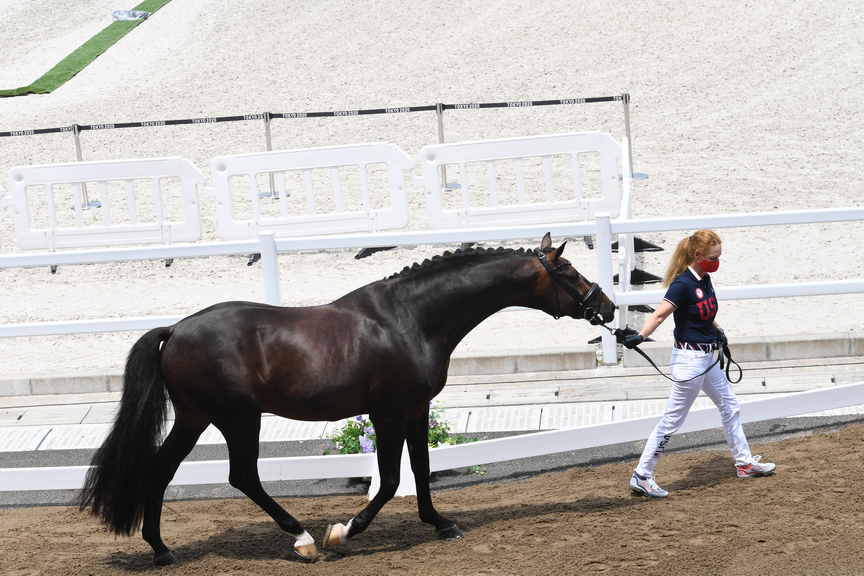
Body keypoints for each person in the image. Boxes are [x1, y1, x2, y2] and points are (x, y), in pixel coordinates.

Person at [622, 229, 775, 498]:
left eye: (718, 257)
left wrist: (718, 331)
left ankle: (744, 463)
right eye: (713, 258)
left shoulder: (705, 279)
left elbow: (703, 314)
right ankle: (642, 475)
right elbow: (660, 315)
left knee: (730, 406)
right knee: (672, 421)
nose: (717, 262)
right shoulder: (682, 284)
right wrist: (641, 335)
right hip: (689, 363)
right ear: (697, 255)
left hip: (709, 359)